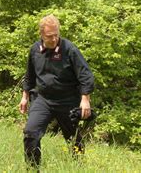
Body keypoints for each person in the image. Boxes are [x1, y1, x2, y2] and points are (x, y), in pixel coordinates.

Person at [18, 14, 95, 168]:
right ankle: (33, 169)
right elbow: (29, 75)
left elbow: (86, 75)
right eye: (49, 36)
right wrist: (25, 96)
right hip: (43, 99)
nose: (53, 39)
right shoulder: (35, 50)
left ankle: (79, 168)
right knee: (31, 133)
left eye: (56, 35)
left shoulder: (70, 49)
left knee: (73, 139)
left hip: (67, 100)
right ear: (41, 34)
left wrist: (85, 99)